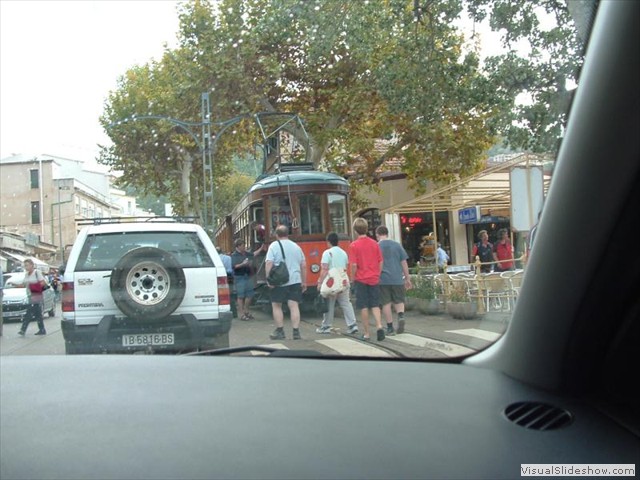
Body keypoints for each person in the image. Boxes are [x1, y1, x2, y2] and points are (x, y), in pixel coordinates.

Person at [265, 225, 306, 340]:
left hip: (279, 281)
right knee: (294, 305)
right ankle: (296, 332)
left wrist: (268, 279)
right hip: (295, 280)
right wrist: (304, 281)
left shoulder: (274, 246)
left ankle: (280, 331)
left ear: (276, 235)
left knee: (277, 305)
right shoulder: (296, 247)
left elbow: (269, 263)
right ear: (288, 234)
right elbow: (303, 265)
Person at [349, 218, 385, 342]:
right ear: (366, 228)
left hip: (361, 279)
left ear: (355, 230)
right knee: (375, 304)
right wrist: (377, 274)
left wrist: (352, 278)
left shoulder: (354, 245)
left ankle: (366, 333)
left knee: (363, 306)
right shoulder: (374, 243)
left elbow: (353, 265)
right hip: (374, 278)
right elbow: (380, 261)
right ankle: (379, 325)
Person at [315, 232, 359, 335]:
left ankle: (326, 326)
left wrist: (320, 282)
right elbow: (346, 266)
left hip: (331, 282)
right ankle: (352, 325)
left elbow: (325, 269)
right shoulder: (343, 252)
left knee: (330, 304)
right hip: (343, 280)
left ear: (328, 242)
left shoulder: (327, 253)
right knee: (346, 302)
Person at [375, 225, 412, 336]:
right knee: (399, 300)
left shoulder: (376, 247)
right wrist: (407, 278)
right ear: (387, 233)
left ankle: (390, 328)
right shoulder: (397, 245)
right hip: (397, 278)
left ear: (377, 235)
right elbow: (404, 262)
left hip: (383, 279)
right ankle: (401, 316)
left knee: (386, 303)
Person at [231, 239, 260, 321]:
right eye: (243, 245)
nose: (244, 247)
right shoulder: (234, 255)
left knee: (250, 294)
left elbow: (253, 254)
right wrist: (243, 264)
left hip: (247, 276)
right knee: (240, 296)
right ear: (238, 246)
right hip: (239, 277)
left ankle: (246, 310)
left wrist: (261, 249)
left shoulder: (246, 253)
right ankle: (242, 314)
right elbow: (234, 266)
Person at [18, 258, 48, 336]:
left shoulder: (36, 272)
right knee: (38, 313)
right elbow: (24, 284)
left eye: (27, 265)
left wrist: (33, 286)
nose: (26, 267)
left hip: (36, 295)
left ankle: (23, 329)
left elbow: (43, 283)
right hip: (30, 295)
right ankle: (42, 329)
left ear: (32, 265)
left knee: (29, 312)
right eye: (25, 266)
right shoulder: (26, 274)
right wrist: (14, 285)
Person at [217, 247, 236, 318]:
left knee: (222, 293)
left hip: (220, 276)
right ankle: (234, 312)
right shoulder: (228, 258)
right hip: (229, 276)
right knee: (230, 294)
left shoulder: (216, 259)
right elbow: (231, 268)